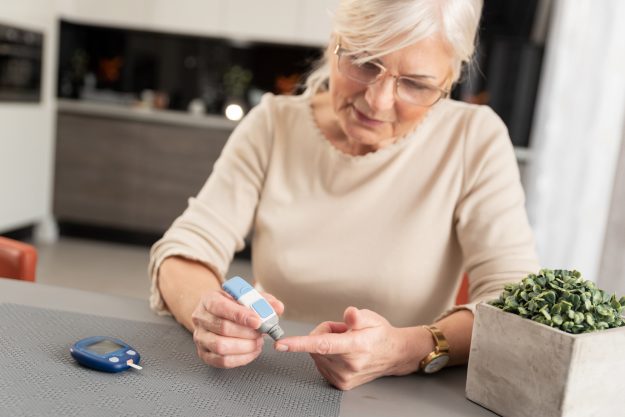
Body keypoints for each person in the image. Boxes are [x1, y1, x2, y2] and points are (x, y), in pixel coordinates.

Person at [148, 0, 539, 390]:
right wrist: (207, 312)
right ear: (333, 43)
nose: (378, 101)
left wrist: (405, 349)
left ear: (449, 80)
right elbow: (184, 249)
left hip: (404, 392)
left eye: (416, 84)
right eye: (366, 62)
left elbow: (514, 301)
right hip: (269, 379)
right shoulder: (274, 125)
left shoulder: (475, 140)